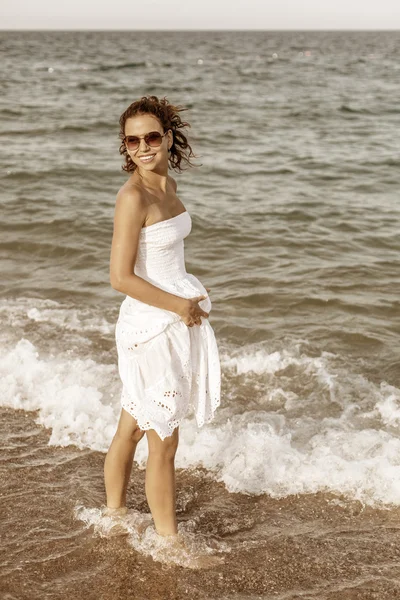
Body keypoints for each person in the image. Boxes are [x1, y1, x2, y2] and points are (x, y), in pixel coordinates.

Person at [103, 95, 221, 540]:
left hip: (170, 320)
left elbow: (168, 260)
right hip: (148, 327)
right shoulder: (132, 197)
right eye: (132, 140)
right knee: (164, 439)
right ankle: (169, 542)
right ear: (126, 147)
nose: (143, 146)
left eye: (152, 136)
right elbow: (119, 277)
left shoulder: (167, 187)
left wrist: (190, 292)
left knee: (132, 425)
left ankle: (113, 516)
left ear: (168, 138)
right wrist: (179, 306)